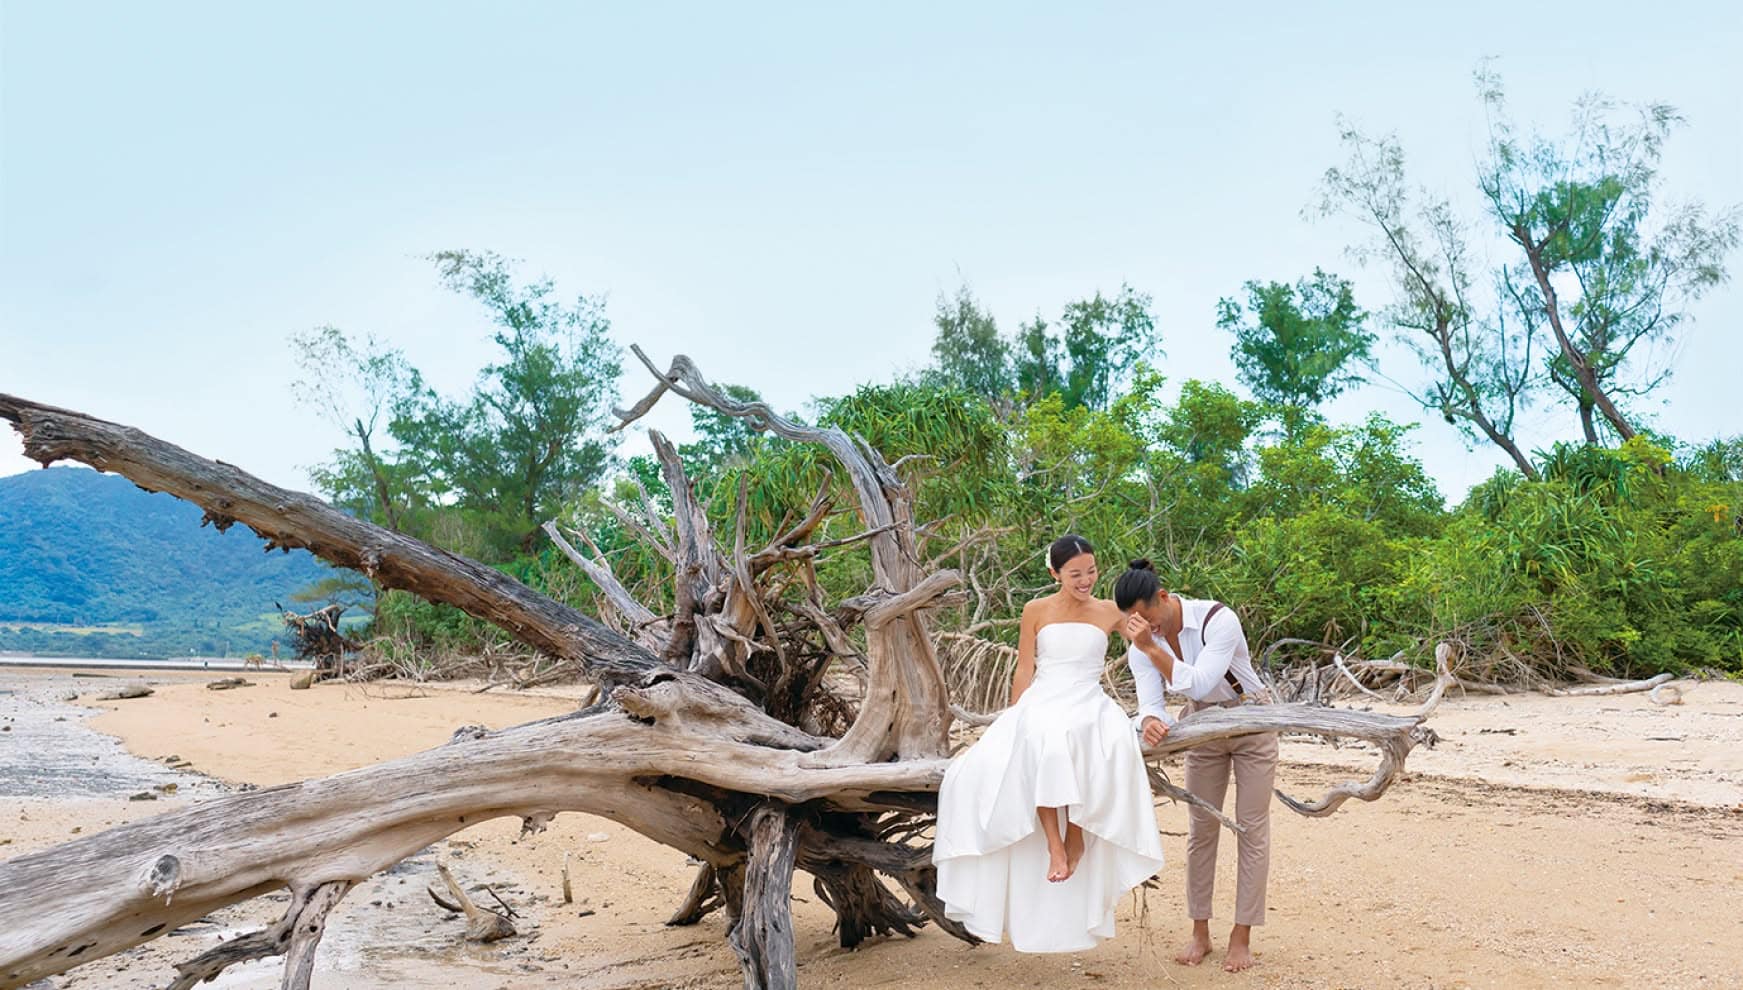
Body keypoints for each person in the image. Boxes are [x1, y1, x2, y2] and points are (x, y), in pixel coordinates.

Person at [933, 534, 1169, 954]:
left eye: (1092, 571)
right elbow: (1025, 668)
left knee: (1089, 738)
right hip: (1045, 696)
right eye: (1075, 574)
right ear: (1054, 573)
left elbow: (1149, 641)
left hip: (1087, 697)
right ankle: (1055, 845)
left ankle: (1076, 833)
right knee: (1042, 738)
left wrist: (1143, 635)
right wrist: (1013, 716)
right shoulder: (1035, 610)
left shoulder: (1111, 610)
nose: (1086, 580)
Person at [1114, 559, 1276, 974]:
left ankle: (1241, 936)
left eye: (1150, 620)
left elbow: (1203, 680)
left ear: (1164, 598)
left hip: (1252, 719)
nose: (1148, 630)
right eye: (1137, 624)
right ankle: (1200, 932)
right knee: (1201, 830)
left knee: (1250, 828)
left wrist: (1152, 648)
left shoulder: (1219, 619)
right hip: (1201, 724)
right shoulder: (1141, 642)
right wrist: (1149, 720)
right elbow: (1151, 700)